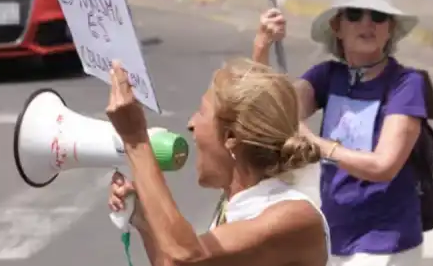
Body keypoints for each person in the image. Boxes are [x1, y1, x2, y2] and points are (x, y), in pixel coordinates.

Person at [252, 0, 427, 266]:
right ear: (337, 27)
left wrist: (315, 143)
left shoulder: (406, 84)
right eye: (355, 14)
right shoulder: (327, 76)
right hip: (331, 234)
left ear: (390, 29)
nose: (367, 23)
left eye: (379, 16)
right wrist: (262, 46)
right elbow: (270, 114)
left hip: (383, 240)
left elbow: (383, 166)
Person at [106, 58, 330, 266]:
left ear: (231, 136)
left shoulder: (294, 215)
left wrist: (135, 139)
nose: (191, 123)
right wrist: (143, 219)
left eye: (202, 112)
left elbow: (184, 257)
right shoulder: (237, 206)